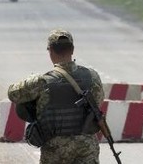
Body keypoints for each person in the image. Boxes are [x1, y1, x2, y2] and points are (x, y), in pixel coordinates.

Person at [7, 29, 104, 163]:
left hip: (55, 149)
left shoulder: (42, 81)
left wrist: (32, 79)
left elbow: (13, 94)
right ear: (72, 50)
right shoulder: (92, 76)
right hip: (86, 146)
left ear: (50, 51)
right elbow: (98, 102)